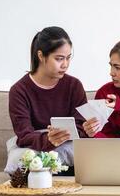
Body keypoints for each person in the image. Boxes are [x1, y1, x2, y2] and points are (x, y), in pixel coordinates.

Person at [9, 27, 88, 175]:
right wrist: (48, 139)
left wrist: (68, 133)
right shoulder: (19, 91)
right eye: (59, 58)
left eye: (68, 57)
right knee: (24, 160)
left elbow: (81, 127)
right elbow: (24, 135)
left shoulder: (74, 86)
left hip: (70, 149)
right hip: (37, 147)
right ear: (41, 55)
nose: (65, 64)